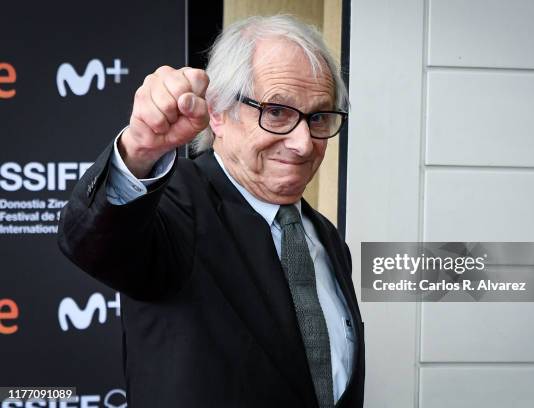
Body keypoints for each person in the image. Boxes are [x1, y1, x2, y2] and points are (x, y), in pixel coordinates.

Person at [58, 14, 364, 408]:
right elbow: (92, 240)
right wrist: (141, 148)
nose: (303, 143)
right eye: (277, 112)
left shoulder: (326, 237)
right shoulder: (175, 204)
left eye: (318, 117)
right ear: (218, 112)